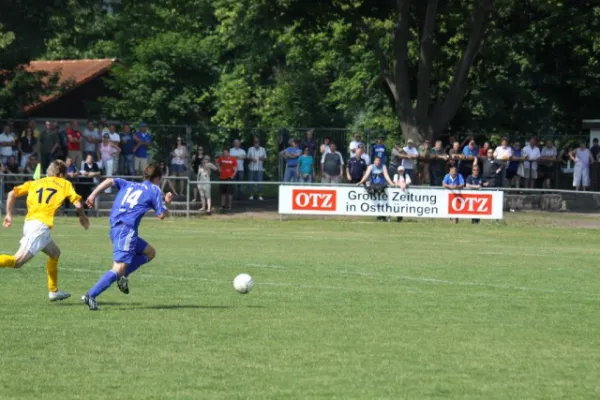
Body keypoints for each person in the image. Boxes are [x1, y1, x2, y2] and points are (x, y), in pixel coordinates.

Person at [81, 165, 172, 310]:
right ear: (158, 178)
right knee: (118, 268)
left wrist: (92, 195)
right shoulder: (154, 189)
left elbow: (109, 181)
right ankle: (90, 295)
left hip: (116, 228)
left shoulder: (128, 184)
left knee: (150, 252)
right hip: (126, 230)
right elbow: (161, 215)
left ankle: (123, 275)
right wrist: (167, 203)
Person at [0, 160, 89, 301]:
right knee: (17, 262)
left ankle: (53, 291)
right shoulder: (64, 183)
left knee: (55, 253)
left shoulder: (35, 183)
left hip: (31, 224)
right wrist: (83, 217)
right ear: (61, 174)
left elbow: (12, 194)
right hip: (39, 228)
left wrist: (9, 214)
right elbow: (78, 204)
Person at [358, 156, 394, 221]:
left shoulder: (383, 166)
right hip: (373, 186)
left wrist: (391, 183)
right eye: (376, 160)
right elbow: (366, 175)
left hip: (381, 186)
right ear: (374, 161)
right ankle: (379, 216)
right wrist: (361, 182)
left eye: (379, 160)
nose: (377, 162)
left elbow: (386, 175)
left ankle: (384, 215)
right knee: (376, 201)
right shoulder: (371, 167)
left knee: (383, 202)